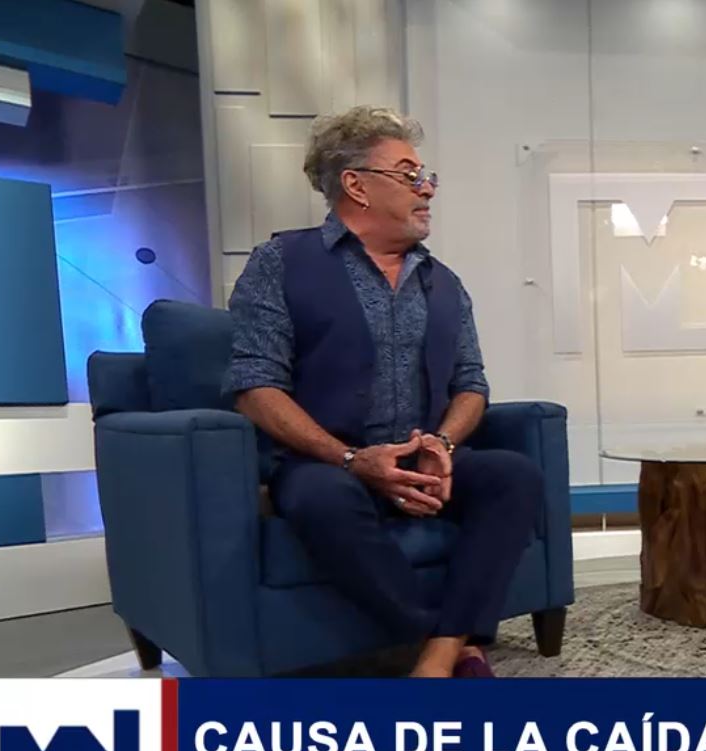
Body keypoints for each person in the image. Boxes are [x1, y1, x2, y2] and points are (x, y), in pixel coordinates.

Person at [224, 106, 543, 678]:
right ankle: (443, 642)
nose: (428, 189)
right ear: (357, 185)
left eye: (427, 176)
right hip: (329, 464)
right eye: (409, 175)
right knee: (320, 500)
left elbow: (472, 384)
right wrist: (352, 458)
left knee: (513, 476)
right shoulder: (279, 263)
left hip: (423, 459)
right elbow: (255, 385)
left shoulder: (445, 283)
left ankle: (440, 653)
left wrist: (443, 444)